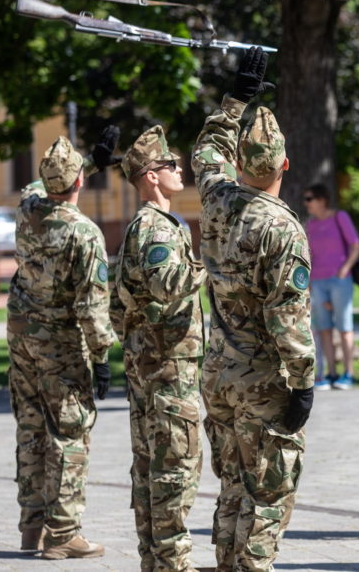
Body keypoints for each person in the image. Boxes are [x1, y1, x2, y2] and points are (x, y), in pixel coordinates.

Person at [193, 47, 315, 572]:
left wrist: (236, 101)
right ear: (285, 164)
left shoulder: (217, 199)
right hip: (263, 378)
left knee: (233, 484)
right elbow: (289, 320)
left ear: (240, 163)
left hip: (218, 371)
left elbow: (205, 151)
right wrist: (304, 382)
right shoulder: (283, 227)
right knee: (268, 493)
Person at [6, 130, 121, 559]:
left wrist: (88, 160)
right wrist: (102, 356)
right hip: (61, 345)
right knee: (70, 434)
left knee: (31, 429)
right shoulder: (85, 233)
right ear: (79, 184)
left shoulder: (28, 210)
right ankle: (64, 534)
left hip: (22, 340)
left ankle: (31, 528)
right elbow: (93, 305)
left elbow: (39, 185)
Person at [115, 125, 207, 571]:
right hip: (168, 368)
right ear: (151, 175)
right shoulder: (155, 227)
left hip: (153, 367)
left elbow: (119, 309)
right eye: (171, 163)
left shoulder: (153, 224)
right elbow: (167, 283)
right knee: (174, 471)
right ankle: (172, 564)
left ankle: (156, 563)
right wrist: (212, 260)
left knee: (153, 470)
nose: (180, 167)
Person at [303, 183, 359, 390]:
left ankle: (348, 373)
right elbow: (308, 256)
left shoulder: (340, 218)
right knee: (323, 329)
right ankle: (331, 373)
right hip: (317, 282)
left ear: (322, 200)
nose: (306, 203)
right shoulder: (309, 225)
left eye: (310, 199)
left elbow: (356, 245)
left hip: (339, 281)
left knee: (345, 327)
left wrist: (344, 269)